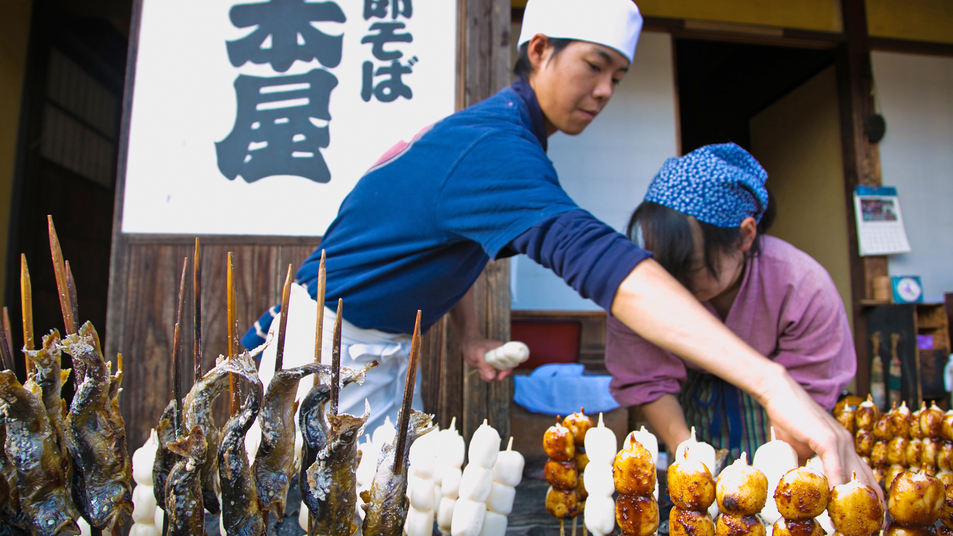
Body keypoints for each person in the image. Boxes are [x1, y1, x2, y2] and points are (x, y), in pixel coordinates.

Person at [243, 0, 876, 493]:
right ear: (540, 50)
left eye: (618, 77)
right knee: (316, 507)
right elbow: (601, 263)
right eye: (594, 66)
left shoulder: (497, 139)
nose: (604, 90)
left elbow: (461, 247)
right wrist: (772, 383)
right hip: (323, 351)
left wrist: (466, 334)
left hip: (370, 348)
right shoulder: (494, 148)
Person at [604, 143, 856, 464]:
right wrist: (687, 453)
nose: (672, 288)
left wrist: (773, 475)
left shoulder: (804, 286)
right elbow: (648, 380)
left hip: (782, 438)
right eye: (664, 268)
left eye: (690, 268)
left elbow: (807, 400)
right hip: (689, 419)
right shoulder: (639, 286)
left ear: (745, 236)